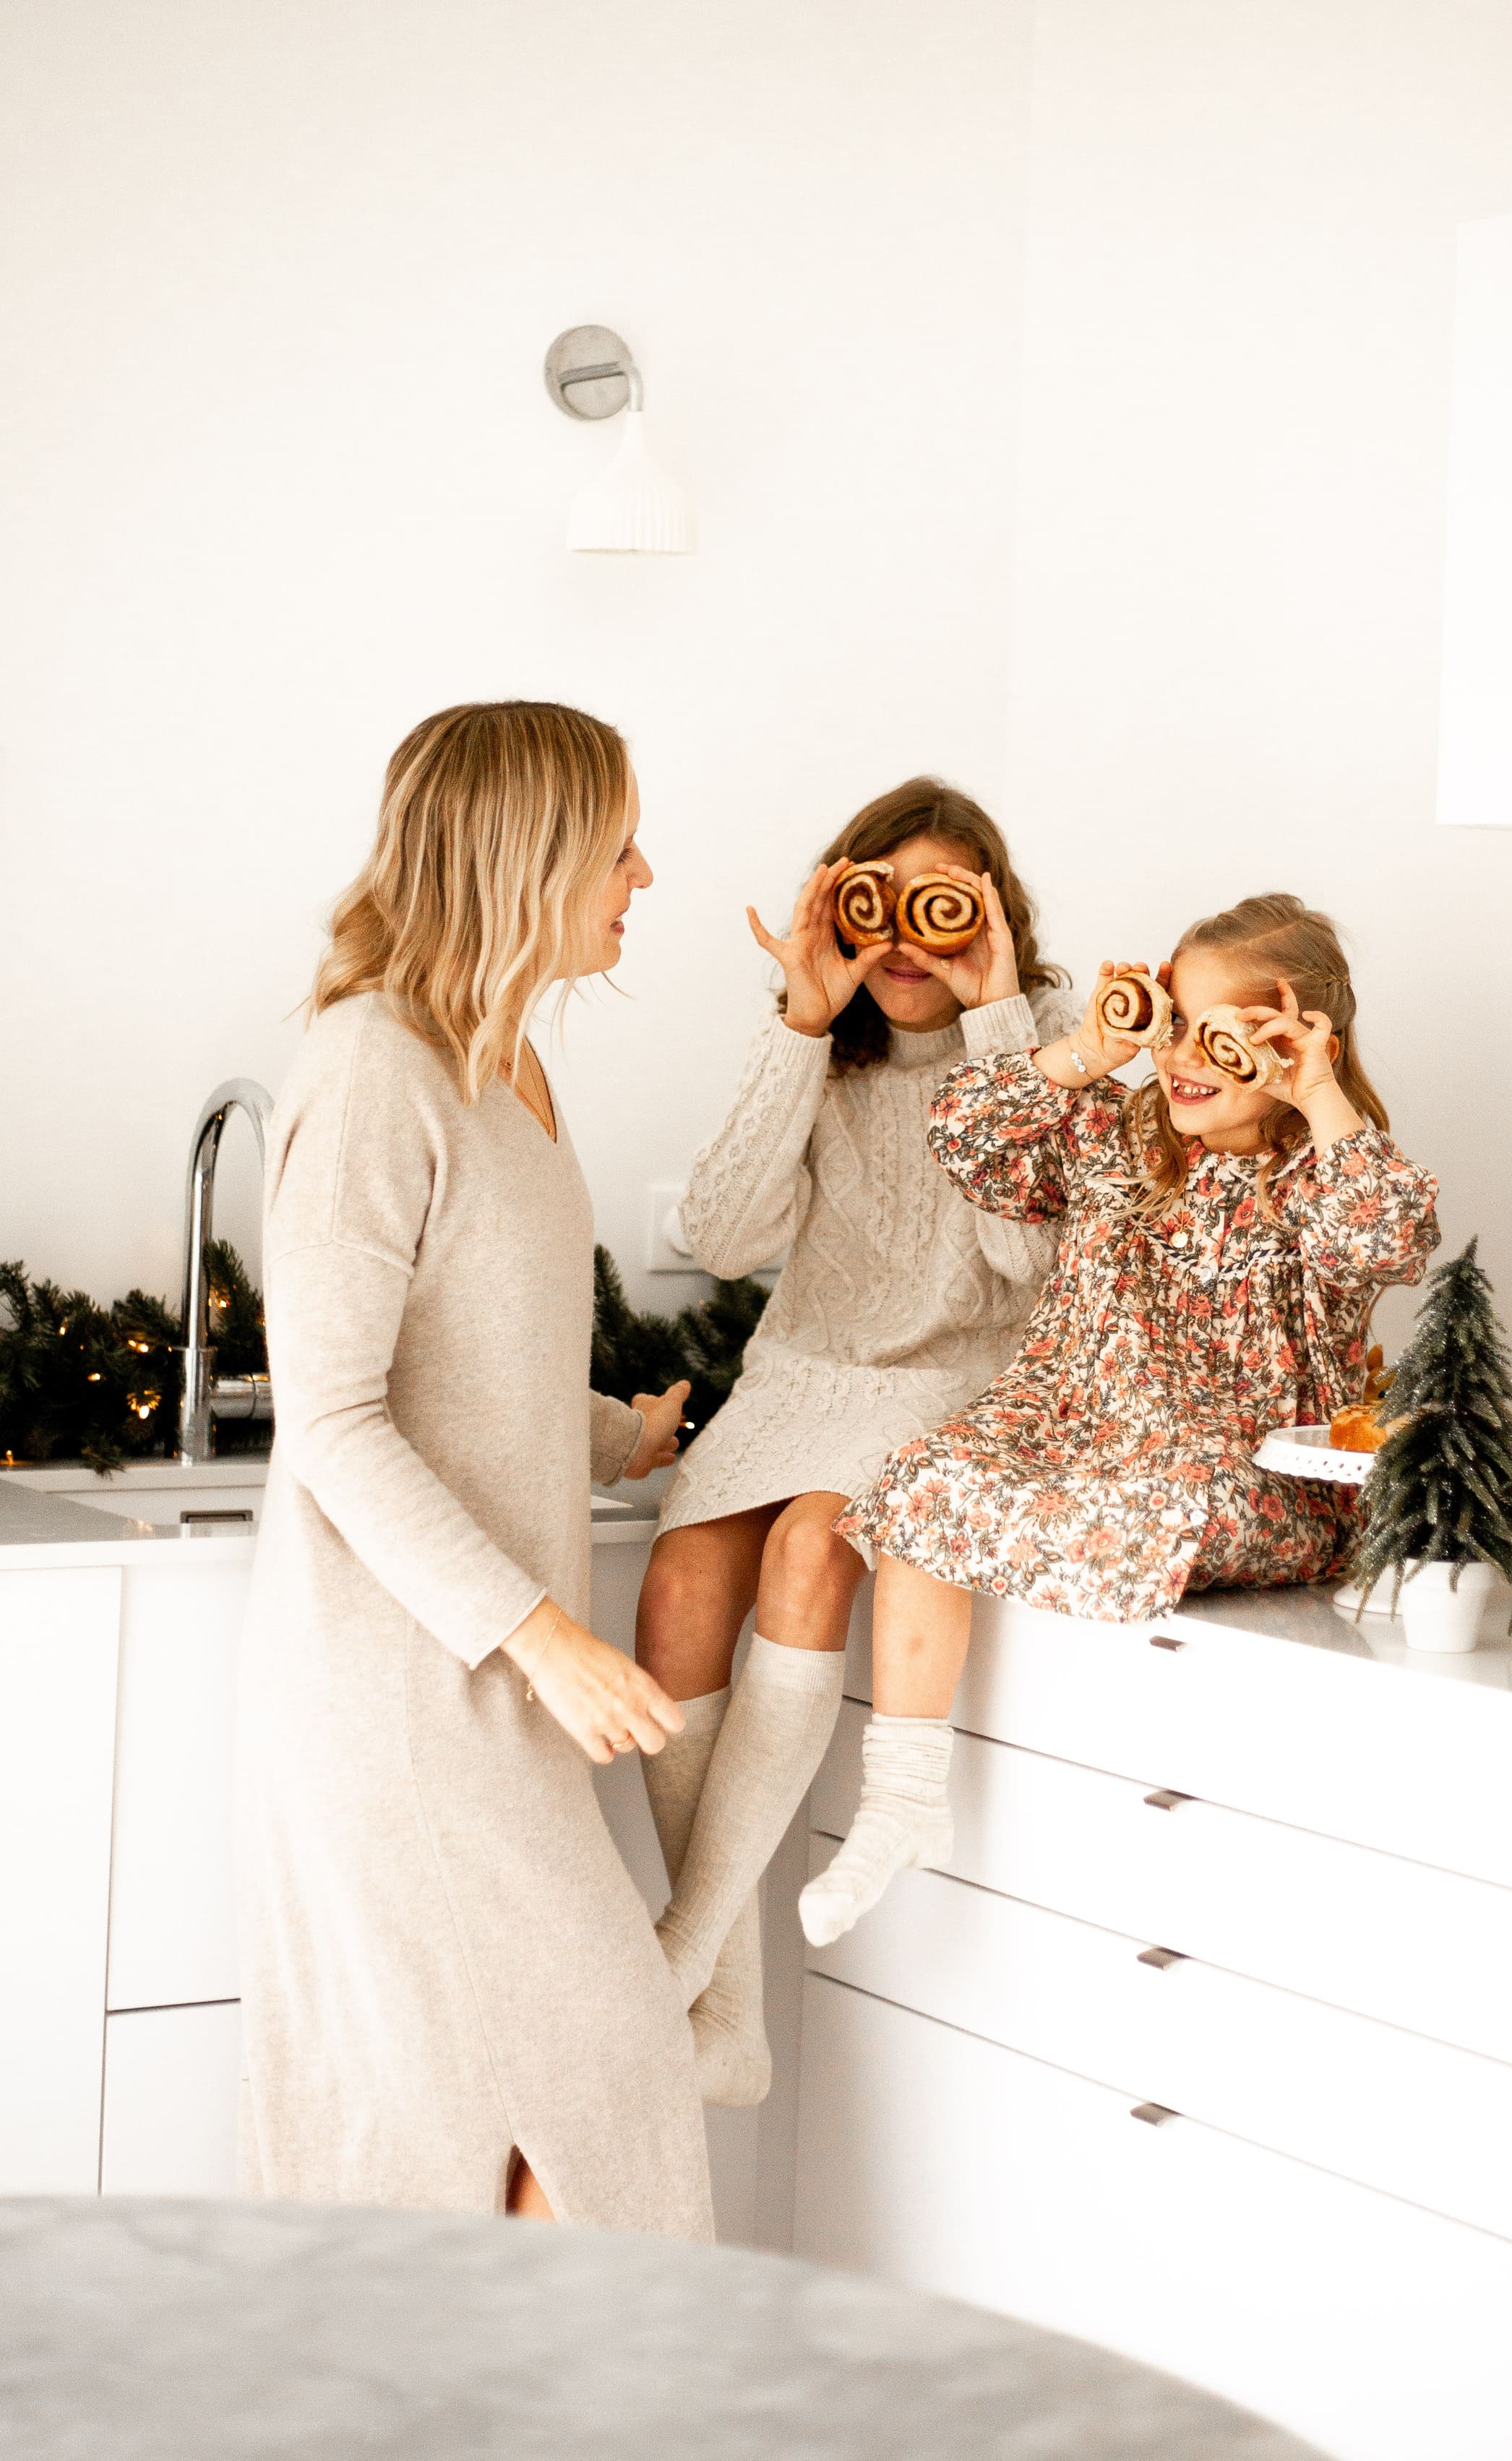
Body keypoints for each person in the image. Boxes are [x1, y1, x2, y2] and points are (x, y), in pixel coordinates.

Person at [238, 699, 710, 2233]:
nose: (646, 873)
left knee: (556, 2118)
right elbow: (333, 1416)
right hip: (403, 1704)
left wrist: (614, 1434)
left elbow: (471, 1369)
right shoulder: (373, 1070)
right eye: (619, 844)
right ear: (531, 854)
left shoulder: (510, 1069)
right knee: (559, 2094)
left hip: (493, 1698)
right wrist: (545, 1637)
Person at [804, 892, 1440, 1945]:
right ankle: (902, 1795)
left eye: (1220, 1034)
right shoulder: (1118, 1135)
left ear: (1285, 1045)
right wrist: (1090, 1050)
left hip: (1243, 1467)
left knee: (1155, 1507)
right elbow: (966, 1139)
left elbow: (1388, 1239)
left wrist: (1320, 1092)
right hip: (1072, 1425)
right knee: (926, 1479)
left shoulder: (1315, 1174)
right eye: (1175, 1021)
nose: (1185, 1055)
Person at [635, 778, 1077, 2107]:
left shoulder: (1046, 1036)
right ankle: (727, 2006)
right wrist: (798, 1022)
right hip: (800, 1375)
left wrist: (997, 1012)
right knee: (678, 1582)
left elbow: (1030, 1257)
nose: (907, 944)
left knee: (813, 1548)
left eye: (941, 915)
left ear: (990, 914)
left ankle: (675, 1964)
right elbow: (720, 1239)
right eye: (877, 909)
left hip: (953, 1377)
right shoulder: (826, 1046)